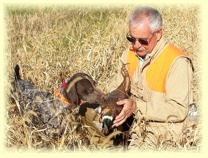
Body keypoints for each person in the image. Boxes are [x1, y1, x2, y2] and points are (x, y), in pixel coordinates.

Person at [109, 6, 194, 149]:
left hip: (163, 129)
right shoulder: (128, 55)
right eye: (131, 39)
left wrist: (136, 107)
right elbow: (115, 88)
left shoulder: (177, 62)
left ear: (158, 34)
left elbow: (178, 110)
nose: (136, 45)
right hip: (133, 120)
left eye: (143, 41)